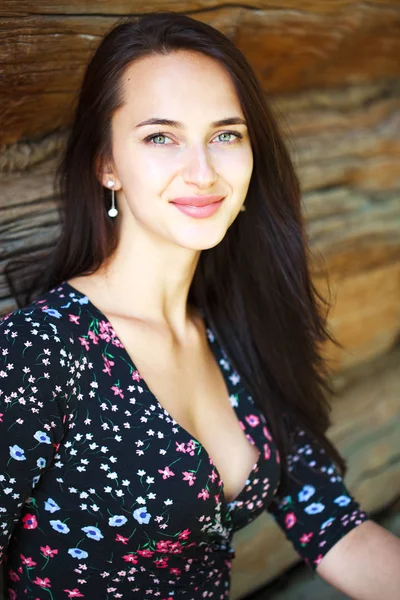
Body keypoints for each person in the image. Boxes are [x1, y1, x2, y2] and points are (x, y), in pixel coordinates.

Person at [1, 11, 399, 600]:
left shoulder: (237, 335)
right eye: (161, 136)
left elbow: (337, 530)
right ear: (106, 164)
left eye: (225, 134)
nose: (203, 171)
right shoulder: (40, 349)